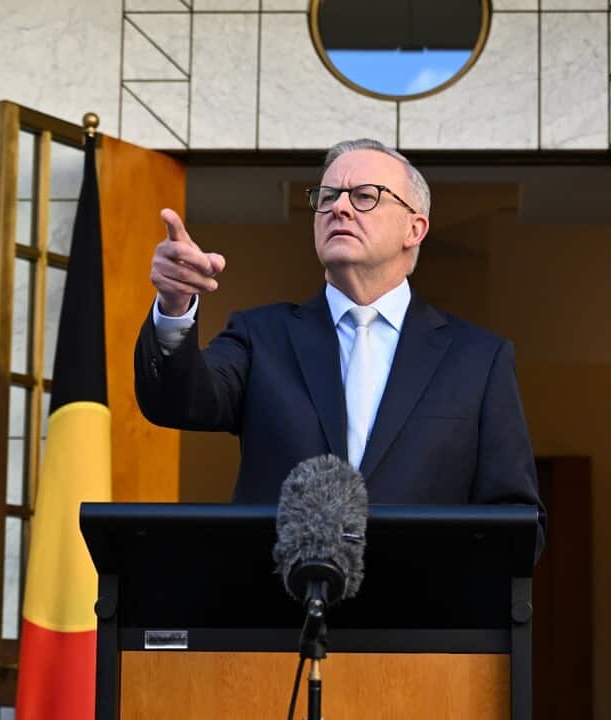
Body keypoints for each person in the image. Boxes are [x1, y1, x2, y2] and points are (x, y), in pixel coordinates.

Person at [133, 138, 544, 543]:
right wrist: (174, 304)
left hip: (421, 606)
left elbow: (515, 520)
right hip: (280, 603)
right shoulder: (262, 337)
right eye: (328, 196)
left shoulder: (479, 360)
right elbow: (177, 401)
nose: (340, 207)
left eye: (365, 196)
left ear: (414, 228)